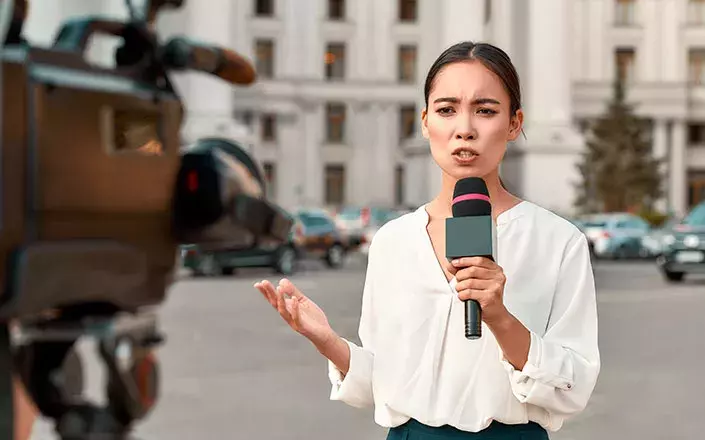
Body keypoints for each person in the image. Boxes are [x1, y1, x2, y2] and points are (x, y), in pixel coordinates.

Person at [254, 41, 600, 440]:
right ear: (425, 122)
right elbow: (384, 385)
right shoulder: (393, 242)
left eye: (485, 110)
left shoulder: (558, 242)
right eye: (447, 109)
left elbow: (574, 388)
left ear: (513, 123)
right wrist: (327, 341)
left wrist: (500, 318)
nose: (464, 129)